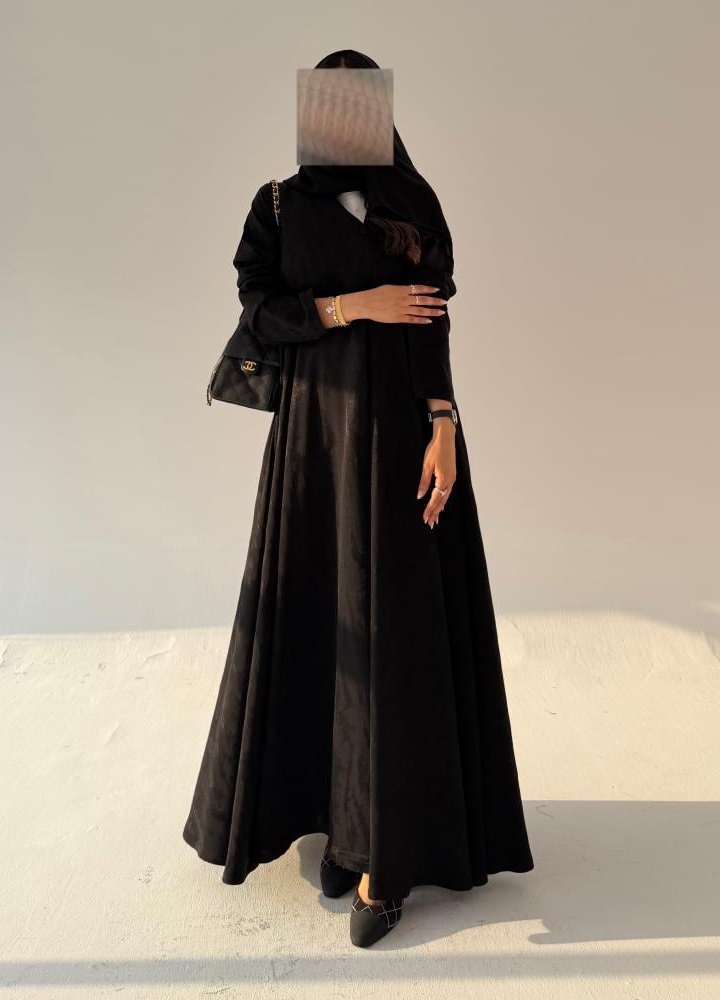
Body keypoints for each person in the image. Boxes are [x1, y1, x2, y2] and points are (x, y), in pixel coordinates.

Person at [183, 48, 534, 948]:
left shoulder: (412, 200)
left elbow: (433, 322)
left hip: (404, 436)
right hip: (316, 443)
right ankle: (342, 822)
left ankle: (387, 856)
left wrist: (445, 426)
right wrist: (352, 306)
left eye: (358, 105)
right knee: (324, 623)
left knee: (397, 630)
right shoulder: (278, 205)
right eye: (327, 105)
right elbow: (260, 314)